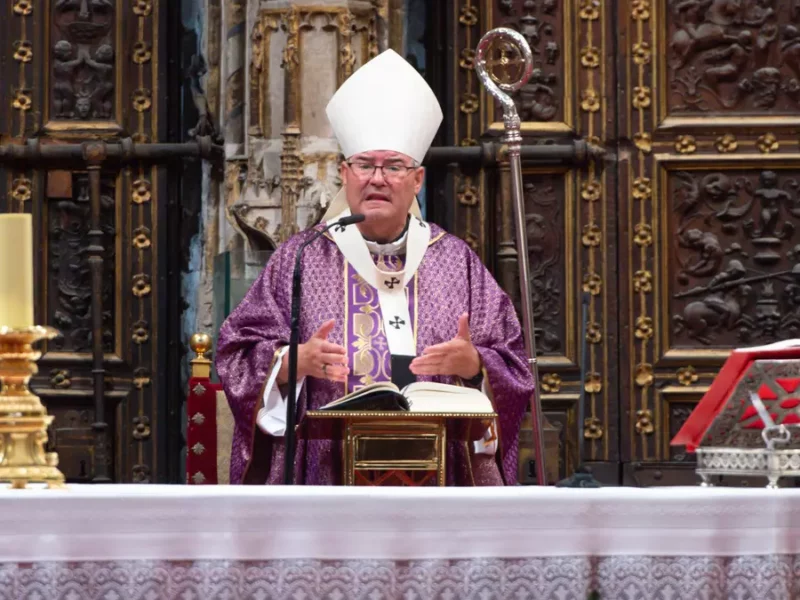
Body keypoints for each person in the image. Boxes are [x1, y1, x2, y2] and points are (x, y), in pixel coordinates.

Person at [216, 49, 534, 485]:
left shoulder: (456, 260)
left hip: (443, 478)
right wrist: (292, 362)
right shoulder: (303, 257)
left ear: (418, 179)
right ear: (345, 174)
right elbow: (236, 352)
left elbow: (515, 364)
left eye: (394, 166)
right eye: (365, 165)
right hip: (327, 473)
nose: (377, 178)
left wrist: (477, 364)